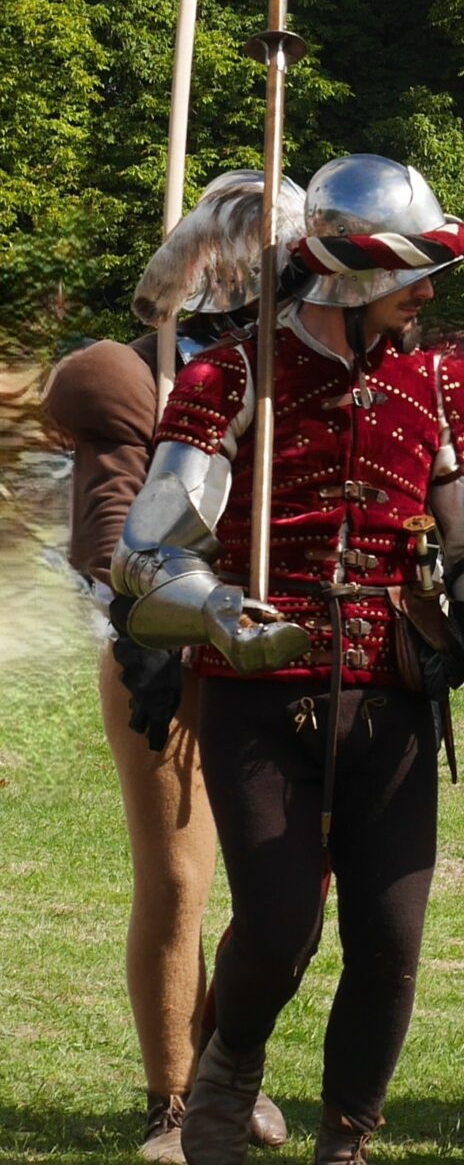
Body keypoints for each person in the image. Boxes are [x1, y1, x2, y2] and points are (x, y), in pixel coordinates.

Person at [113, 155, 464, 1163]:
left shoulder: (441, 384)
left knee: (392, 942)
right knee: (281, 926)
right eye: (411, 272)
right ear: (352, 274)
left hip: (393, 691)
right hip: (258, 694)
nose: (427, 294)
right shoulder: (233, 376)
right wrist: (216, 611)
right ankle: (224, 1080)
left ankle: (347, 1141)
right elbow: (146, 553)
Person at [41, 170, 290, 1161]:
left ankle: (227, 1067)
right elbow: (113, 544)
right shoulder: (133, 378)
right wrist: (162, 621)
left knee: (285, 890)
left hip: (283, 649)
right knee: (181, 883)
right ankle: (175, 1100)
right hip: (165, 653)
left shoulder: (307, 369)